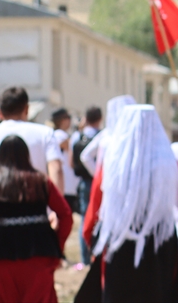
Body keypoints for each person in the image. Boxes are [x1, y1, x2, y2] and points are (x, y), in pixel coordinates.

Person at [82, 105, 178, 302]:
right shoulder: (168, 162)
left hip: (118, 243)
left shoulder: (112, 163)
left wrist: (93, 243)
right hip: (159, 242)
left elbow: (94, 209)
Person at [0, 86, 64, 303]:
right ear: (26, 109)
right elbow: (56, 170)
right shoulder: (44, 133)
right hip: (40, 229)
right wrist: (53, 212)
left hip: (1, 231)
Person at [0, 134, 72, 303]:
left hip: (5, 254)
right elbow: (66, 215)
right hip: (41, 252)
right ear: (26, 155)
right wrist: (57, 245)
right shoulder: (41, 181)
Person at [70, 105, 103, 266]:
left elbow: (72, 162)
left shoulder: (77, 138)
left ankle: (85, 259)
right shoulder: (104, 137)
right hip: (100, 183)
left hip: (83, 182)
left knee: (85, 218)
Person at [79, 95, 136, 178]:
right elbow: (86, 156)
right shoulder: (107, 134)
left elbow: (86, 156)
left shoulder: (106, 134)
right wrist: (99, 176)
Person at [49, 108, 80, 214]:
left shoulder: (54, 135)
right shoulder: (60, 135)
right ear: (63, 120)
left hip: (65, 183)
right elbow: (72, 157)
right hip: (67, 184)